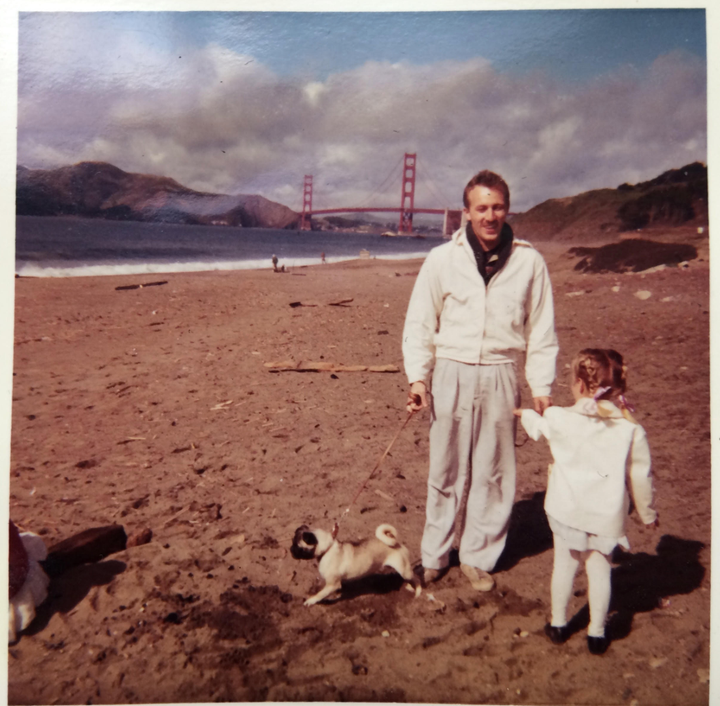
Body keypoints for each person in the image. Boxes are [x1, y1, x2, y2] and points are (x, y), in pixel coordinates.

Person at [403, 170, 558, 592]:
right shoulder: (441, 259)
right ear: (467, 212)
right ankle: (435, 555)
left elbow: (541, 330)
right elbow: (419, 322)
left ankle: (477, 556)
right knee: (444, 467)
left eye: (498, 207)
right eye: (482, 208)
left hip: (500, 373)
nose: (490, 216)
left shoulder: (529, 261)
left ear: (507, 209)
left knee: (493, 471)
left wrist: (541, 386)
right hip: (451, 369)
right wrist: (419, 378)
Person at [515, 348, 658, 655]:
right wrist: (647, 514)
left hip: (567, 510)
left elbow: (540, 428)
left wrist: (526, 414)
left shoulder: (560, 418)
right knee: (600, 571)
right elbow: (640, 477)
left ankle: (558, 624)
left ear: (579, 384)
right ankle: (596, 633)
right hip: (605, 516)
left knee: (564, 567)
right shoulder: (630, 429)